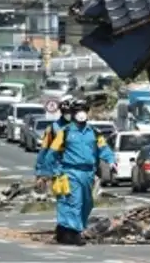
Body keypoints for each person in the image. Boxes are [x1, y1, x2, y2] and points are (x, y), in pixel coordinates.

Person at [44, 102, 115, 246]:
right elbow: (52, 153)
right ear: (73, 114)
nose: (81, 113)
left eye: (84, 110)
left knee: (87, 203)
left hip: (89, 173)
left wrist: (111, 161)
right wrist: (51, 172)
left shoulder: (94, 132)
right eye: (78, 111)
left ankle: (67, 230)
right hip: (71, 172)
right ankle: (75, 234)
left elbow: (104, 148)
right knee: (75, 202)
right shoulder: (65, 132)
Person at [34, 95, 75, 180]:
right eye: (66, 112)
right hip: (58, 170)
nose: (69, 114)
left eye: (71, 112)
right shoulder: (53, 128)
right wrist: (40, 172)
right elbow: (44, 150)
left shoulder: (82, 127)